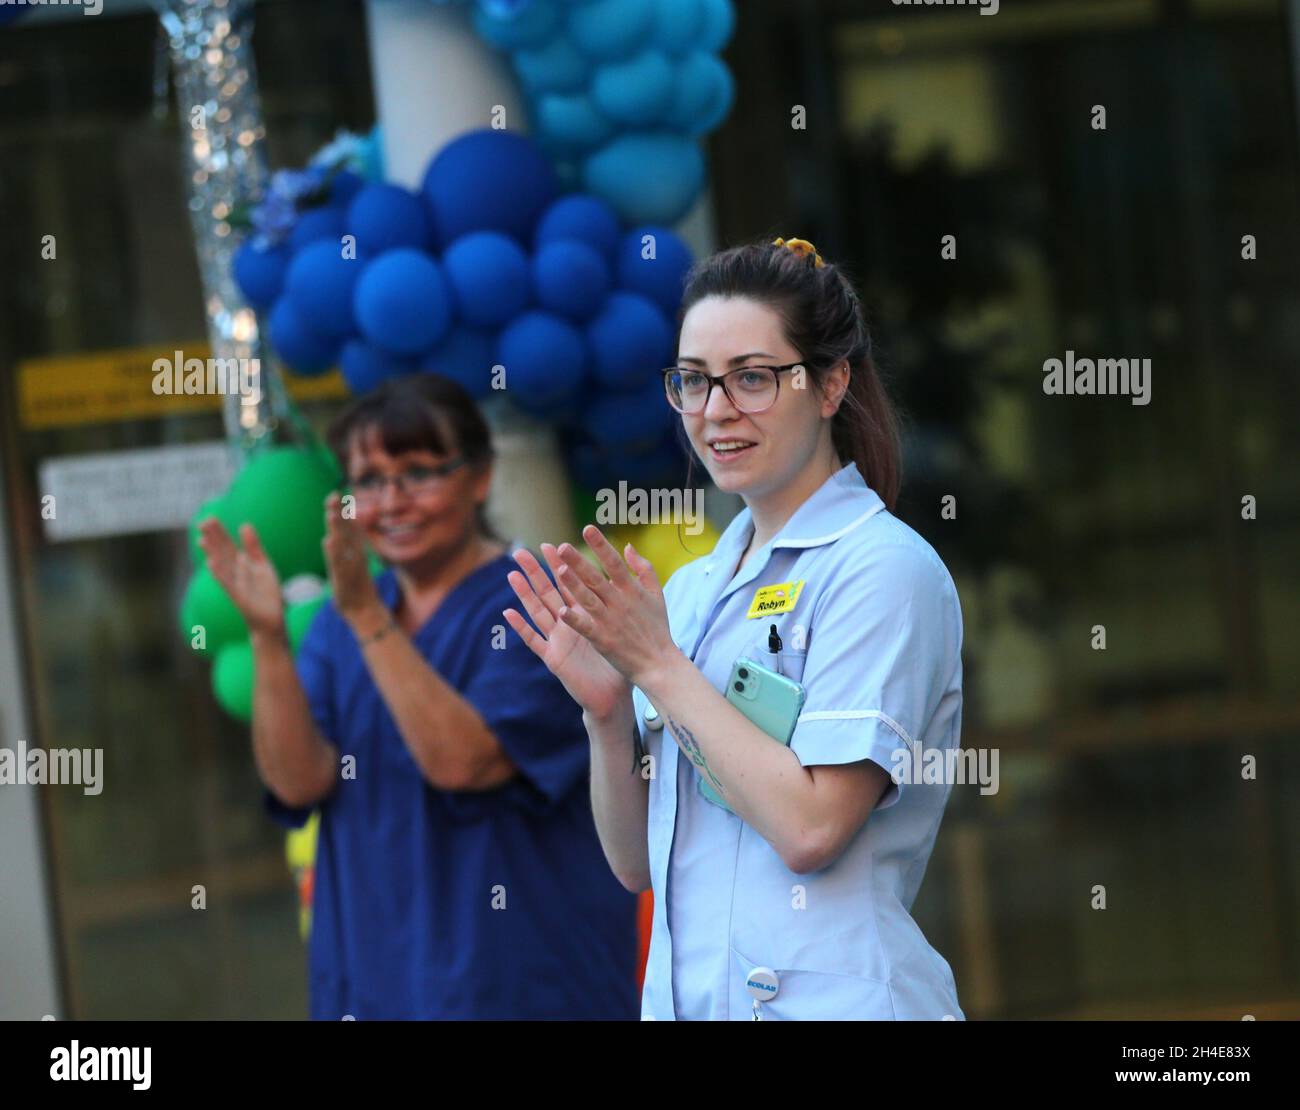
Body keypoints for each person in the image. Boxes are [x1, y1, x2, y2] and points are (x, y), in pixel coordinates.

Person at [505, 237, 965, 1020]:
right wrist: (608, 712)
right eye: (692, 382)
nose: (716, 411)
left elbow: (813, 828)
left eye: (752, 378)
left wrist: (659, 666)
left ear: (830, 385)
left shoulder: (883, 568)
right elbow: (631, 864)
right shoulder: (690, 591)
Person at [199, 374, 638, 1020]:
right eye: (369, 481)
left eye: (419, 473)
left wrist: (368, 620)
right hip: (375, 985)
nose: (392, 501)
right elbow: (299, 783)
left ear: (480, 477)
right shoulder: (336, 622)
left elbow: (464, 763)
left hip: (520, 987)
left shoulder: (543, 605)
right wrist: (267, 639)